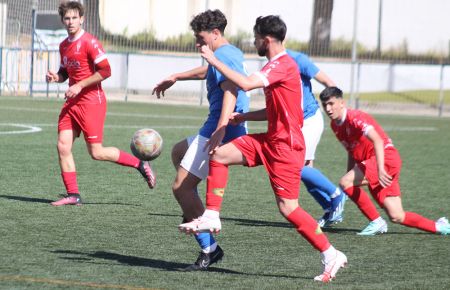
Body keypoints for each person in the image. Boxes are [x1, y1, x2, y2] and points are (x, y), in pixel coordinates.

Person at [179, 15, 347, 283]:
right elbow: (274, 110)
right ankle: (211, 215)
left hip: (286, 148)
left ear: (266, 40)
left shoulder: (282, 64)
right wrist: (244, 118)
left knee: (288, 208)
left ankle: (331, 254)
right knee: (219, 153)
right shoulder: (277, 65)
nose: (253, 42)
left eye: (256, 38)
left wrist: (212, 59)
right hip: (271, 139)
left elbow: (245, 84)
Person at [152, 10, 249, 271]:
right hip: (219, 127)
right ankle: (193, 207)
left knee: (180, 188)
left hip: (220, 130)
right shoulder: (226, 54)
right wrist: (176, 76)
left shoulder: (226, 55)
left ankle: (210, 249)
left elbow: (231, 91)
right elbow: (208, 72)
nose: (197, 43)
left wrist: (219, 130)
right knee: (177, 152)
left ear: (215, 34)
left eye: (200, 38)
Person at [46, 1, 155, 206]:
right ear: (63, 21)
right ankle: (73, 195)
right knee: (62, 146)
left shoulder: (90, 42)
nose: (70, 22)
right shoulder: (64, 45)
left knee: (96, 152)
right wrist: (56, 78)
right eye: (67, 18)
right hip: (72, 103)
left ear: (82, 19)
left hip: (91, 103)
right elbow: (64, 73)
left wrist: (79, 85)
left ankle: (140, 164)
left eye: (74, 18)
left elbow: (105, 71)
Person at [319, 86, 450, 236]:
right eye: (324, 105)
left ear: (341, 103)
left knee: (345, 182)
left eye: (331, 103)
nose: (328, 108)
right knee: (397, 215)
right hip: (375, 163)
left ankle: (376, 221)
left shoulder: (354, 117)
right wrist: (350, 173)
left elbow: (378, 140)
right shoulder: (335, 125)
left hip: (386, 159)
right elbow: (351, 151)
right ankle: (440, 227)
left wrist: (380, 169)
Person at [286, 49, 347, 228]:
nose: (255, 41)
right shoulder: (271, 64)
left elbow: (328, 82)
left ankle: (337, 195)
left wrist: (337, 111)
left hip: (309, 120)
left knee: (295, 166)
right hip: (295, 124)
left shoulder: (297, 59)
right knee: (304, 171)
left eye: (257, 37)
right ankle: (330, 208)